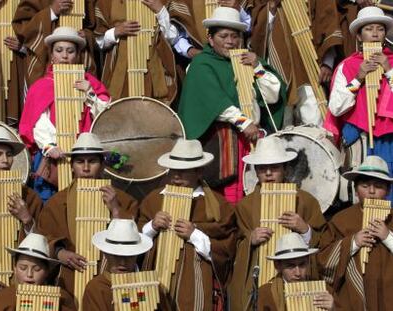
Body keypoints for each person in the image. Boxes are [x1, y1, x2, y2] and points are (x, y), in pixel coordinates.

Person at [178, 7, 286, 204]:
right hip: (221, 140)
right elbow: (213, 99)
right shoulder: (201, 64)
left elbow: (272, 95)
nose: (230, 41)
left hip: (251, 139)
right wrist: (244, 122)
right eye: (223, 36)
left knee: (252, 192)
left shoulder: (248, 60)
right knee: (225, 193)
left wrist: (258, 68)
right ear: (210, 39)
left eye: (235, 36)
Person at [228, 136, 326, 310]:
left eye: (274, 168)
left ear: (285, 169)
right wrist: (250, 240)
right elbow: (231, 246)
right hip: (257, 279)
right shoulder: (244, 206)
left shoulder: (306, 201)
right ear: (256, 171)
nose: (268, 173)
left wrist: (305, 230)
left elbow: (326, 243)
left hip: (299, 280)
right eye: (262, 168)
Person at [138, 139, 236, 310]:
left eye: (183, 171)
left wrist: (195, 235)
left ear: (199, 172)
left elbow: (228, 250)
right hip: (154, 280)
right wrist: (152, 227)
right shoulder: (153, 199)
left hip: (194, 283)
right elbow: (133, 241)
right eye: (174, 170)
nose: (176, 176)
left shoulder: (219, 205)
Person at [37, 133, 138, 297]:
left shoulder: (125, 201)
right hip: (70, 279)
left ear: (103, 165)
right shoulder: (56, 203)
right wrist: (59, 253)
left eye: (92, 161)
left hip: (111, 282)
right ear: (71, 166)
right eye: (79, 162)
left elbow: (136, 243)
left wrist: (116, 211)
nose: (85, 168)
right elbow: (41, 237)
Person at [18, 26, 110, 202]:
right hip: (51, 154)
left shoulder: (90, 82)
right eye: (59, 51)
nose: (65, 56)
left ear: (78, 55)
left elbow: (106, 116)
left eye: (70, 51)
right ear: (52, 55)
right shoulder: (40, 85)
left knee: (85, 203)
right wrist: (49, 146)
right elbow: (37, 121)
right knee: (50, 206)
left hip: (84, 155)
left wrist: (90, 93)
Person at [324, 6, 393, 202]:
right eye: (369, 29)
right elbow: (336, 107)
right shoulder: (347, 65)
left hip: (389, 139)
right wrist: (358, 78)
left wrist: (388, 71)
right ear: (360, 36)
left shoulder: (392, 63)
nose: (374, 34)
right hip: (360, 139)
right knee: (362, 192)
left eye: (379, 29)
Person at [247, 0, 343, 126]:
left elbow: (328, 21)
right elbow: (254, 23)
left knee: (314, 120)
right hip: (278, 68)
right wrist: (271, 8)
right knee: (283, 124)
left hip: (309, 66)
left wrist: (327, 62)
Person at [0, 126, 43, 311]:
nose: (5, 160)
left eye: (8, 154)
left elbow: (44, 244)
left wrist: (27, 220)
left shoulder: (29, 197)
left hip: (19, 287)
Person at [318, 155, 393, 311]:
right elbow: (323, 261)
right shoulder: (340, 220)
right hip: (354, 300)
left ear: (388, 191)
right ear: (356, 189)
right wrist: (352, 243)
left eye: (378, 186)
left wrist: (387, 237)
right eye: (365, 186)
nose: (371, 191)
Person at [93, 0, 177, 103]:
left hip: (154, 73)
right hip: (119, 74)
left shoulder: (163, 2)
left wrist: (161, 11)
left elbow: (173, 39)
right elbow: (96, 42)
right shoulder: (106, 3)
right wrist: (116, 32)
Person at [82, 218, 169, 310]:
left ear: (137, 254)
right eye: (116, 255)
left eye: (129, 255)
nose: (122, 262)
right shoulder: (95, 289)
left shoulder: (152, 287)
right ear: (105, 254)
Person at [12, 0, 97, 86]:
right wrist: (51, 12)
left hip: (78, 61)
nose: (64, 56)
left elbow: (97, 30)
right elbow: (23, 27)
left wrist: (87, 35)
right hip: (43, 60)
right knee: (43, 94)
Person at [0, 233, 76, 310]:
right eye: (23, 268)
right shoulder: (1, 298)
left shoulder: (62, 298)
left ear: (47, 271)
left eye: (37, 269)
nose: (29, 274)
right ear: (15, 269)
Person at [258, 233, 334, 311]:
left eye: (302, 264)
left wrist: (334, 308)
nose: (298, 273)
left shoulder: (324, 289)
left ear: (308, 262)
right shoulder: (265, 294)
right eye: (291, 266)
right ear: (278, 266)